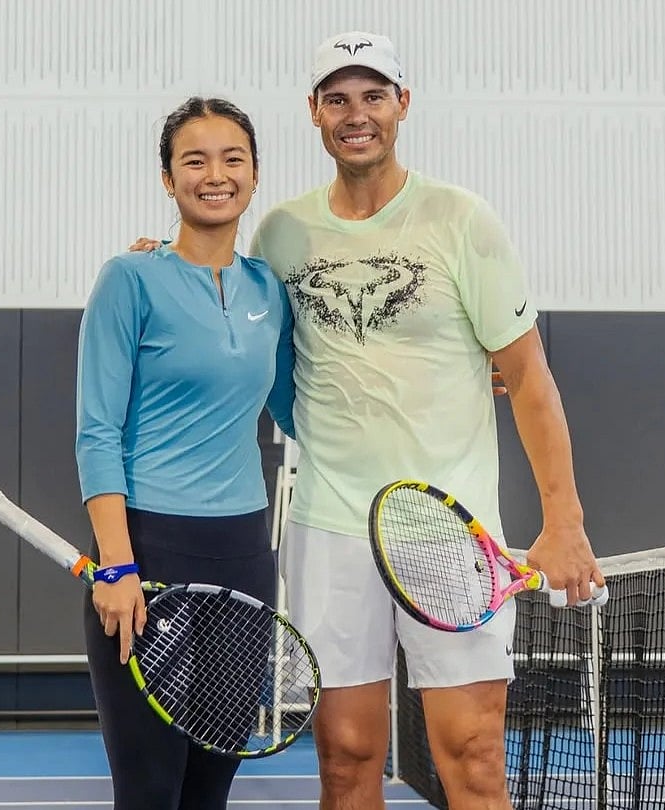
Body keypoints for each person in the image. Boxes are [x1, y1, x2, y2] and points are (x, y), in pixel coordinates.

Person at [130, 31, 605, 810]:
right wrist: (163, 262)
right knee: (347, 761)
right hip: (331, 527)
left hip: (449, 535)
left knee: (475, 759)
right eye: (339, 98)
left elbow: (528, 377)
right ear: (314, 113)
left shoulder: (462, 220)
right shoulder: (281, 233)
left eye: (374, 95)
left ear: (402, 105)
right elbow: (233, 316)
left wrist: (565, 521)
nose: (358, 114)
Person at [75, 96, 295, 810]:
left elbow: (309, 404)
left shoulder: (271, 291)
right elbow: (97, 430)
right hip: (149, 555)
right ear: (168, 180)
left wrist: (456, 370)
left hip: (241, 557)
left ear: (255, 175)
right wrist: (117, 562)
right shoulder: (129, 280)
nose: (215, 175)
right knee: (149, 790)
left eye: (232, 159)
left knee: (210, 790)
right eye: (193, 160)